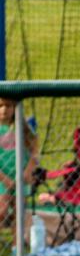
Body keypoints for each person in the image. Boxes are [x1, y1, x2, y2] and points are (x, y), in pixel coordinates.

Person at [0, 97, 39, 228]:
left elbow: (34, 153)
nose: (4, 110)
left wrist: (27, 172)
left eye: (8, 106)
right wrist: (5, 179)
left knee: (19, 214)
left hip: (21, 179)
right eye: (0, 106)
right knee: (2, 211)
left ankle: (16, 247)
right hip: (2, 179)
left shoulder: (23, 128)